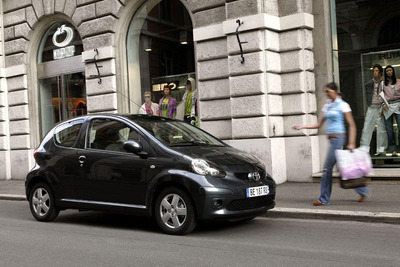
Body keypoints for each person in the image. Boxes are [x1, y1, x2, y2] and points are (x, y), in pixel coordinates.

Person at [293, 82, 370, 205]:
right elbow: (318, 124)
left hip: (339, 138)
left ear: (334, 91)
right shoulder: (327, 106)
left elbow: (352, 125)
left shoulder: (343, 105)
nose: (326, 94)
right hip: (332, 139)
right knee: (345, 168)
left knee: (327, 169)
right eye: (325, 92)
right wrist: (303, 126)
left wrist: (351, 143)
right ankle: (363, 190)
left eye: (328, 91)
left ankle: (324, 199)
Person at [359, 64, 387, 156]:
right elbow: (367, 96)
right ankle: (364, 149)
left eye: (376, 71)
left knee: (381, 129)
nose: (375, 73)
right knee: (367, 127)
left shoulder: (384, 83)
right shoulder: (368, 84)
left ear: (380, 72)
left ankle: (381, 150)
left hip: (380, 107)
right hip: (371, 107)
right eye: (374, 71)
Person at [380, 65, 400, 156]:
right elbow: (379, 96)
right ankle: (393, 150)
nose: (389, 72)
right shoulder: (383, 83)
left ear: (393, 71)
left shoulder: (399, 81)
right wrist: (383, 104)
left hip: (398, 105)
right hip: (388, 106)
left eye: (390, 70)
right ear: (385, 72)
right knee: (389, 129)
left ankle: (399, 148)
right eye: (387, 70)